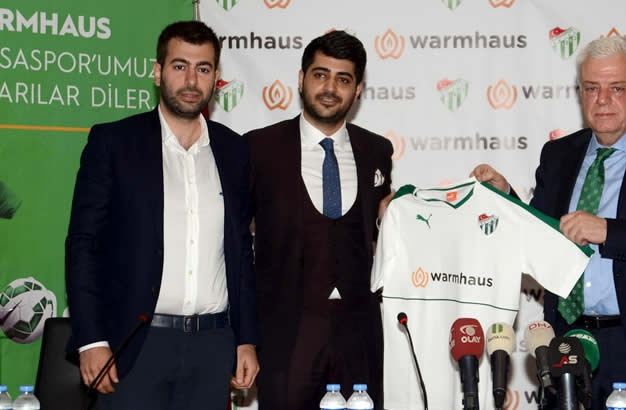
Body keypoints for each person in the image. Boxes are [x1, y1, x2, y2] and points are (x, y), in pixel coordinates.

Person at [473, 36, 626, 409]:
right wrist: (507, 198)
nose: (602, 100)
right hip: (567, 340)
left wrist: (608, 231)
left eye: (616, 88)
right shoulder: (558, 154)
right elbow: (541, 236)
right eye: (591, 88)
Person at [65, 21, 259, 410]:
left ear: (216, 79)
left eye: (203, 69)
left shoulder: (235, 151)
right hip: (134, 345)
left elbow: (240, 254)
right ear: (158, 72)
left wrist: (247, 339)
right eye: (179, 66)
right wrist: (91, 339)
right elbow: (83, 245)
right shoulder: (114, 143)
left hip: (212, 346)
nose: (191, 80)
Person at [245, 31, 393, 409]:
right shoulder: (259, 148)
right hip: (286, 334)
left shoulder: (376, 150)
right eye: (320, 75)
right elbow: (234, 243)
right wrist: (243, 336)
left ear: (358, 90)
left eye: (343, 79)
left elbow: (380, 235)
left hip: (359, 334)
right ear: (301, 79)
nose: (330, 88)